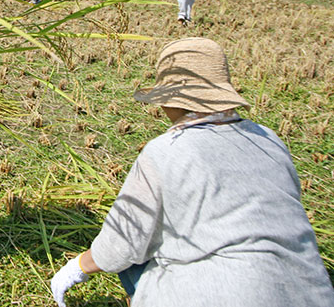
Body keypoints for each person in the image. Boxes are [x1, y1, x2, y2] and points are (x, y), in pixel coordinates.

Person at [50, 37, 334, 307]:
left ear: (171, 99)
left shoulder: (166, 151)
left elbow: (123, 241)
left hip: (217, 296)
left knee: (135, 257)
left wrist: (78, 267)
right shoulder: (270, 139)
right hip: (313, 294)